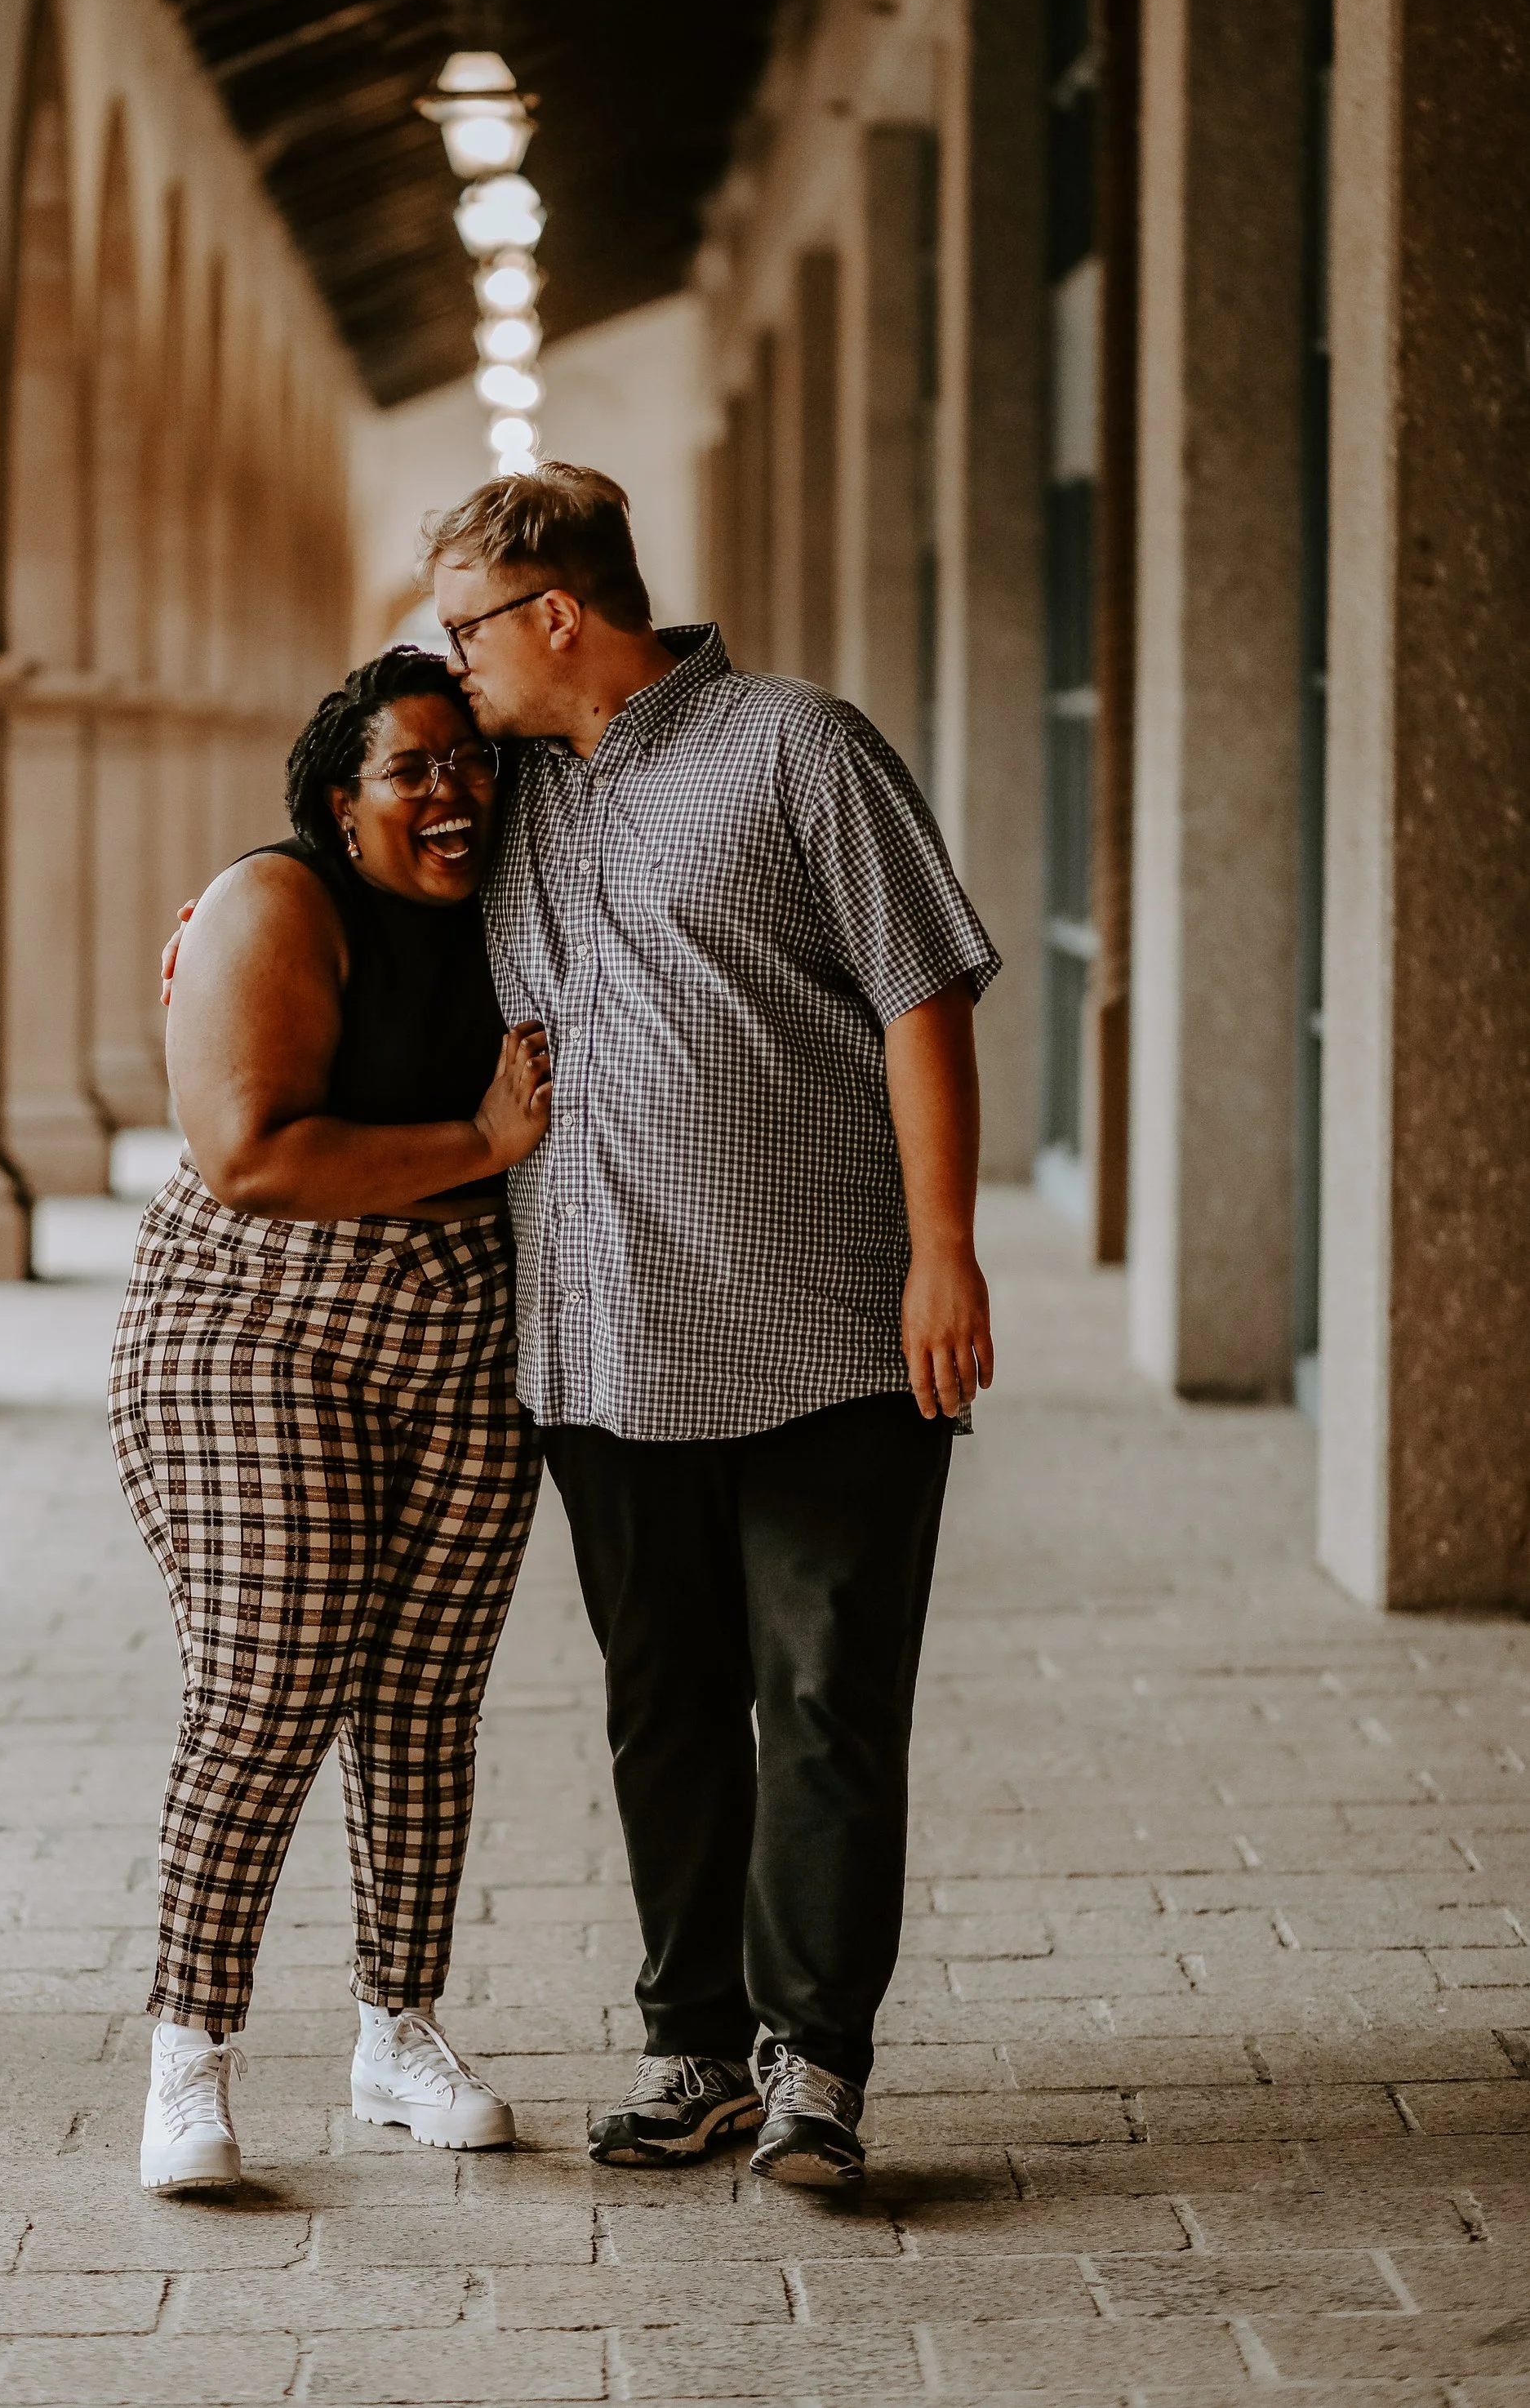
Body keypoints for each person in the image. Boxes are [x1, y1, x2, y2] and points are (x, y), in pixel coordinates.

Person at [425, 463, 999, 2192]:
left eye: (465, 627)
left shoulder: (798, 747)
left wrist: (946, 1251)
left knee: (824, 1697)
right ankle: (695, 2050)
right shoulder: (505, 790)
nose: (448, 660)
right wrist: (230, 913)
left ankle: (813, 2065)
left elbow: (920, 991)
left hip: (828, 1331)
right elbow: (354, 827)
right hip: (601, 1341)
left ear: (556, 614)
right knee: (661, 1704)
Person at [108, 648, 552, 2197]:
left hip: (466, 1322)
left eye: (473, 760)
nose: (453, 791)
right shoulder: (274, 905)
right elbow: (250, 1157)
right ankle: (188, 2049)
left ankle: (396, 2032)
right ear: (341, 801)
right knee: (273, 1670)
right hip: (257, 1314)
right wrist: (481, 1138)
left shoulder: (530, 890)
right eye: (411, 768)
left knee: (427, 1694)